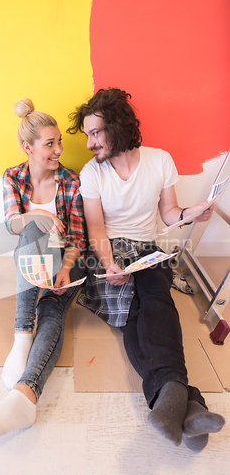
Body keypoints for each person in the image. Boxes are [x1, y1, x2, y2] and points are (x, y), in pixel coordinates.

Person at [67, 88, 225, 451]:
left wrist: (189, 214)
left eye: (96, 133)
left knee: (156, 299)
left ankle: (169, 401)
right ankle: (188, 401)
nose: (90, 143)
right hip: (108, 255)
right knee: (134, 310)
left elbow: (170, 214)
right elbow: (95, 229)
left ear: (117, 126)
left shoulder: (159, 160)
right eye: (87, 134)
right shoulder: (92, 173)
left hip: (149, 251)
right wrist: (109, 265)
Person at [0, 99, 85, 436]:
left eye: (59, 141)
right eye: (50, 143)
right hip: (29, 263)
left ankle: (23, 396)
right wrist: (37, 215)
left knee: (53, 309)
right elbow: (12, 224)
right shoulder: (13, 177)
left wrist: (65, 270)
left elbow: (77, 236)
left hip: (65, 264)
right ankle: (22, 337)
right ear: (27, 147)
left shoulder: (70, 181)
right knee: (32, 230)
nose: (59, 149)